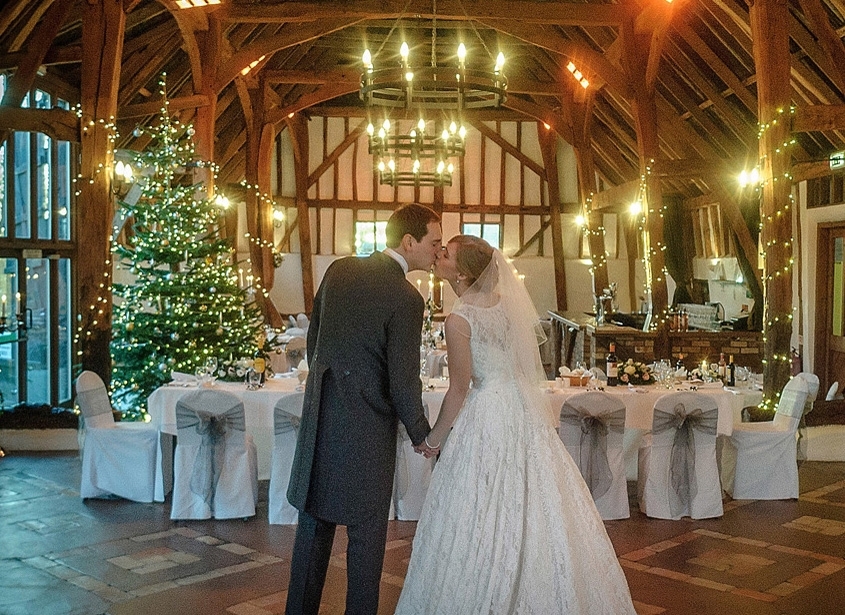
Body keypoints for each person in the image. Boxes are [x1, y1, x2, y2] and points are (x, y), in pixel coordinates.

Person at [395, 235, 637, 614]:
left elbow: (458, 390)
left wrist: (432, 440)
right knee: (534, 497)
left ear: (460, 273)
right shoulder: (507, 308)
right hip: (521, 408)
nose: (439, 256)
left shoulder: (460, 319)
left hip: (488, 412)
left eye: (447, 253)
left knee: (481, 506)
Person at [285, 204, 442, 615]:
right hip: (367, 435)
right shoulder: (407, 298)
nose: (437, 251)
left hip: (321, 424)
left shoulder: (339, 270)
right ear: (409, 242)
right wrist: (422, 434)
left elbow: (315, 341)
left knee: (312, 536)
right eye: (434, 242)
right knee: (366, 547)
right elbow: (403, 381)